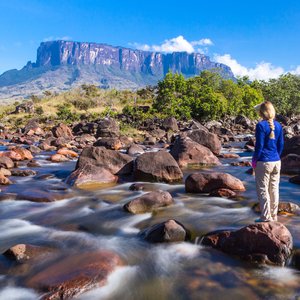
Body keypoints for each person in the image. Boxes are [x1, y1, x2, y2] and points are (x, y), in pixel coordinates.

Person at [252, 101, 284, 222]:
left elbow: (259, 146)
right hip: (276, 161)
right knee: (274, 189)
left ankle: (265, 217)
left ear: (262, 112)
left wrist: (254, 161)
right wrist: (276, 156)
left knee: (262, 189)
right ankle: (274, 216)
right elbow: (281, 145)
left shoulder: (260, 126)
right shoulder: (279, 126)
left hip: (263, 162)